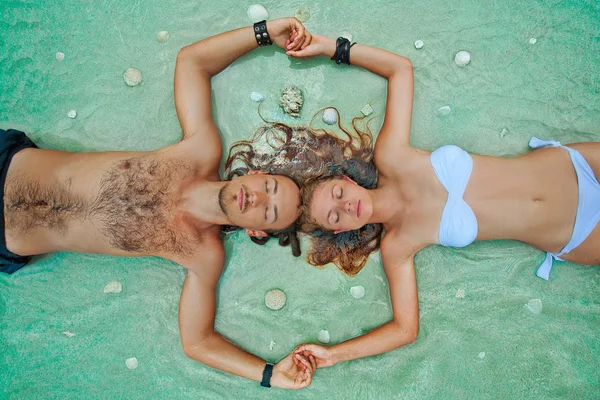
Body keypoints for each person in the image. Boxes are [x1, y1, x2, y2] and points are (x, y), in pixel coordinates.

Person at [1, 18, 317, 389]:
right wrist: (265, 33)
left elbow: (197, 341)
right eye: (268, 185)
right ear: (252, 174)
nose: (258, 197)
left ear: (256, 230)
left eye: (268, 210)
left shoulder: (202, 254)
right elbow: (192, 62)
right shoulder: (199, 150)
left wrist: (268, 375)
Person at [278, 30, 598, 369]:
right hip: (579, 234)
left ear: (344, 179)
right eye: (335, 217)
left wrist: (329, 47)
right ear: (340, 231)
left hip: (574, 168)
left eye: (338, 195)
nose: (345, 207)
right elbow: (405, 330)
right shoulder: (398, 246)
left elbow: (400, 69)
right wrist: (332, 356)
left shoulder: (393, 157)